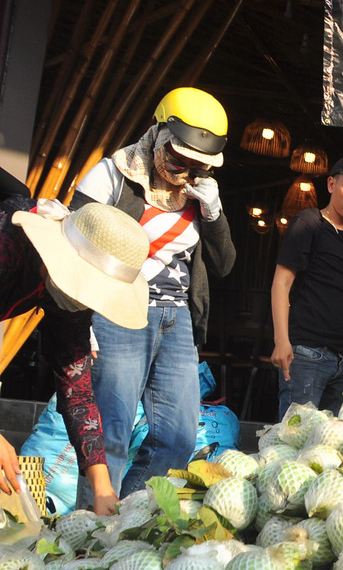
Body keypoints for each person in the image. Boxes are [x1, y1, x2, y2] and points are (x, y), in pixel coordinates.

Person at [70, 87, 236, 497]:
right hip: (116, 309)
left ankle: (124, 519)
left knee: (179, 438)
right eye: (179, 157)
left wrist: (213, 213)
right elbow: (69, 248)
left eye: (199, 165)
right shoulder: (112, 174)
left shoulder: (199, 193)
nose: (186, 170)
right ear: (158, 132)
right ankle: (89, 537)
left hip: (175, 316)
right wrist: (81, 319)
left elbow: (224, 264)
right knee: (111, 433)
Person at [0, 182, 149, 516]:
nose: (83, 302)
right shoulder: (6, 245)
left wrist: (103, 488)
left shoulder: (66, 302)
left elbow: (76, 388)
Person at [271, 154, 343, 416]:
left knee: (329, 446)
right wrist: (281, 341)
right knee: (295, 441)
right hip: (306, 354)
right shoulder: (309, 224)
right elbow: (281, 283)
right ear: (331, 184)